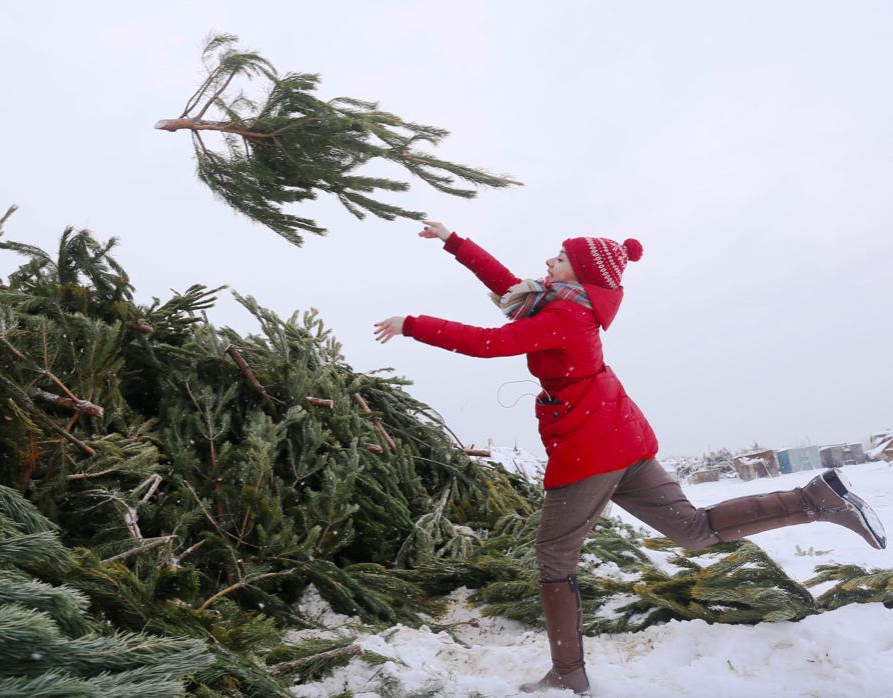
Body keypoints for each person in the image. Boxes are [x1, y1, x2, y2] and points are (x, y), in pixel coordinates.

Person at [374, 221, 887, 695]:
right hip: (621, 435)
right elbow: (506, 282)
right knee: (691, 529)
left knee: (554, 553)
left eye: (559, 257)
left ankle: (567, 675)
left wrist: (411, 324)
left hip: (589, 444)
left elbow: (489, 343)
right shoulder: (555, 302)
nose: (548, 261)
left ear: (582, 271)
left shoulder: (563, 315)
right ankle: (816, 499)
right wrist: (453, 241)